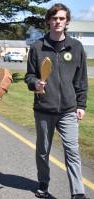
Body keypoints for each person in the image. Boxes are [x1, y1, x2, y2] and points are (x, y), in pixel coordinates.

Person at [24, 3, 88, 199]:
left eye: (61, 18)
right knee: (43, 151)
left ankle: (77, 192)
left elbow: (81, 79)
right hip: (44, 109)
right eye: (54, 18)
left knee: (72, 151)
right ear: (48, 21)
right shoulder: (37, 47)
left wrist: (81, 104)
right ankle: (43, 182)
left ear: (67, 21)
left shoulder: (76, 47)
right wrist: (36, 84)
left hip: (68, 109)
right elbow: (29, 76)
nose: (57, 21)